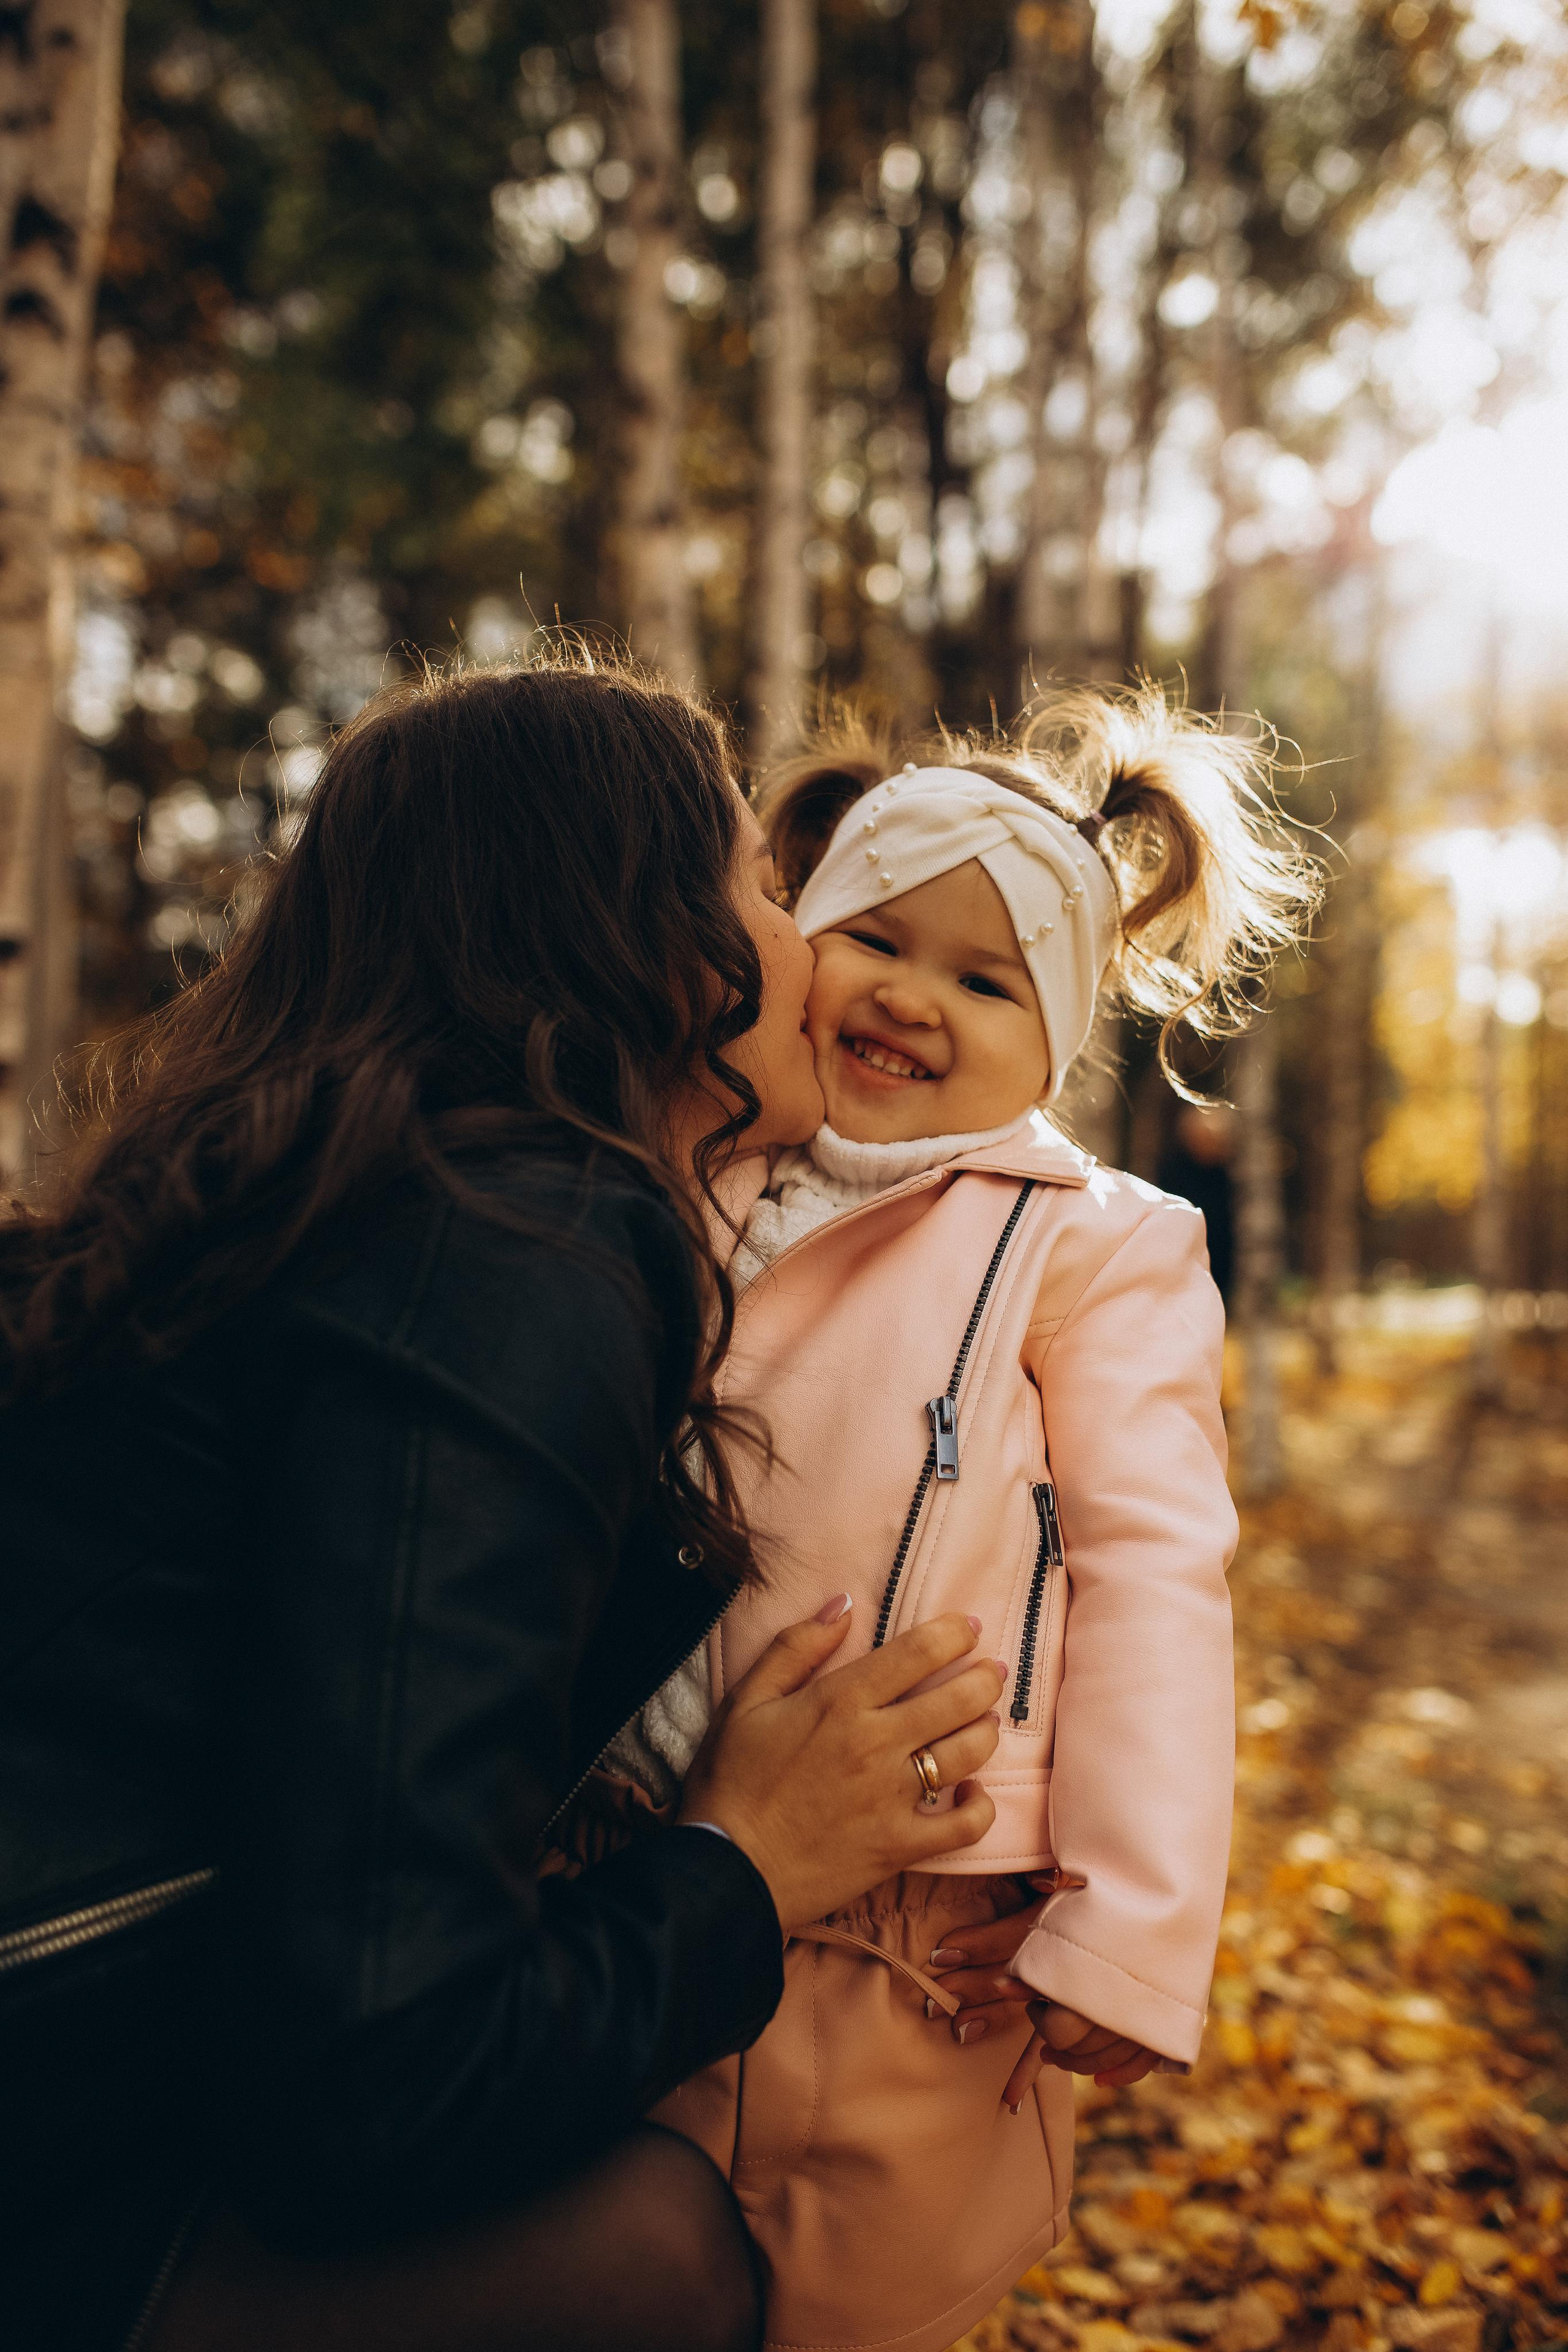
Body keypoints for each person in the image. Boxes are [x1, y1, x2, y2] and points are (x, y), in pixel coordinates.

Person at [0, 655, 1011, 2352]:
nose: (806, 946)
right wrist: (744, 1864)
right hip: (52, 2170)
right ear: (646, 935)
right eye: (766, 886)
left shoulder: (339, 1210)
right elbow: (384, 2075)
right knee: (658, 2252)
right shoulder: (512, 1245)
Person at [594, 688, 1318, 2352]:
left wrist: (1130, 1920)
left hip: (928, 1926)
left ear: (1052, 1040)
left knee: (878, 2294)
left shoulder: (1093, 1248)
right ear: (801, 944)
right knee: (626, 2272)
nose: (915, 999)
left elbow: (1155, 1573)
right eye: (880, 940)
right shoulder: (691, 1173)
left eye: (985, 980)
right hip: (636, 1856)